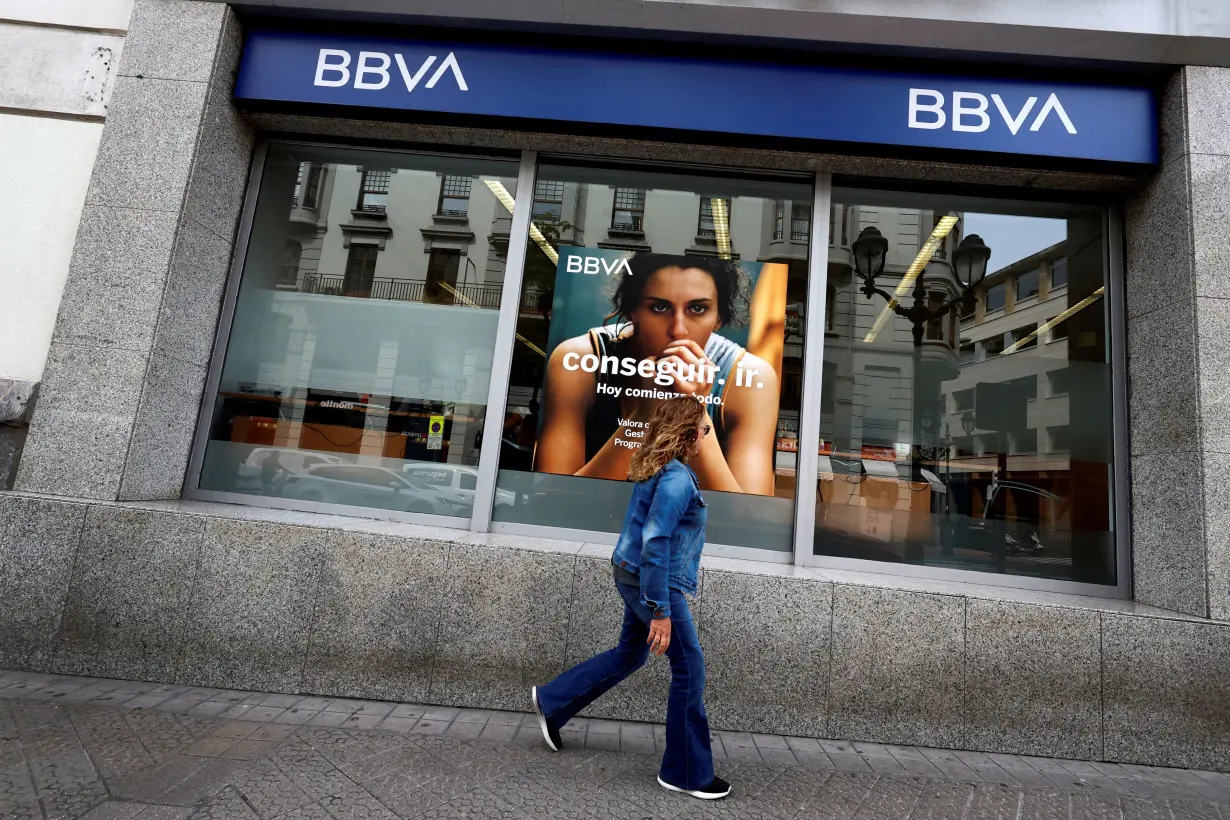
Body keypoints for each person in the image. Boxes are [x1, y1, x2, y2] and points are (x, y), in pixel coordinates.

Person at [530, 396, 731, 800]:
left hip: (633, 574)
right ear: (691, 433)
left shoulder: (660, 468)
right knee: (689, 668)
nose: (705, 437)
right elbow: (655, 541)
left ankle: (553, 700)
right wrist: (660, 611)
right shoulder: (675, 479)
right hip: (655, 583)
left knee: (629, 654)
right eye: (705, 431)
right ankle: (686, 772)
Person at [535, 254, 779, 495]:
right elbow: (554, 497)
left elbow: (747, 516)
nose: (678, 330)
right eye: (659, 307)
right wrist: (646, 412)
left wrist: (695, 411)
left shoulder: (749, 376)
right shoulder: (581, 359)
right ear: (634, 311)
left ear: (719, 318)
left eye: (697, 308)